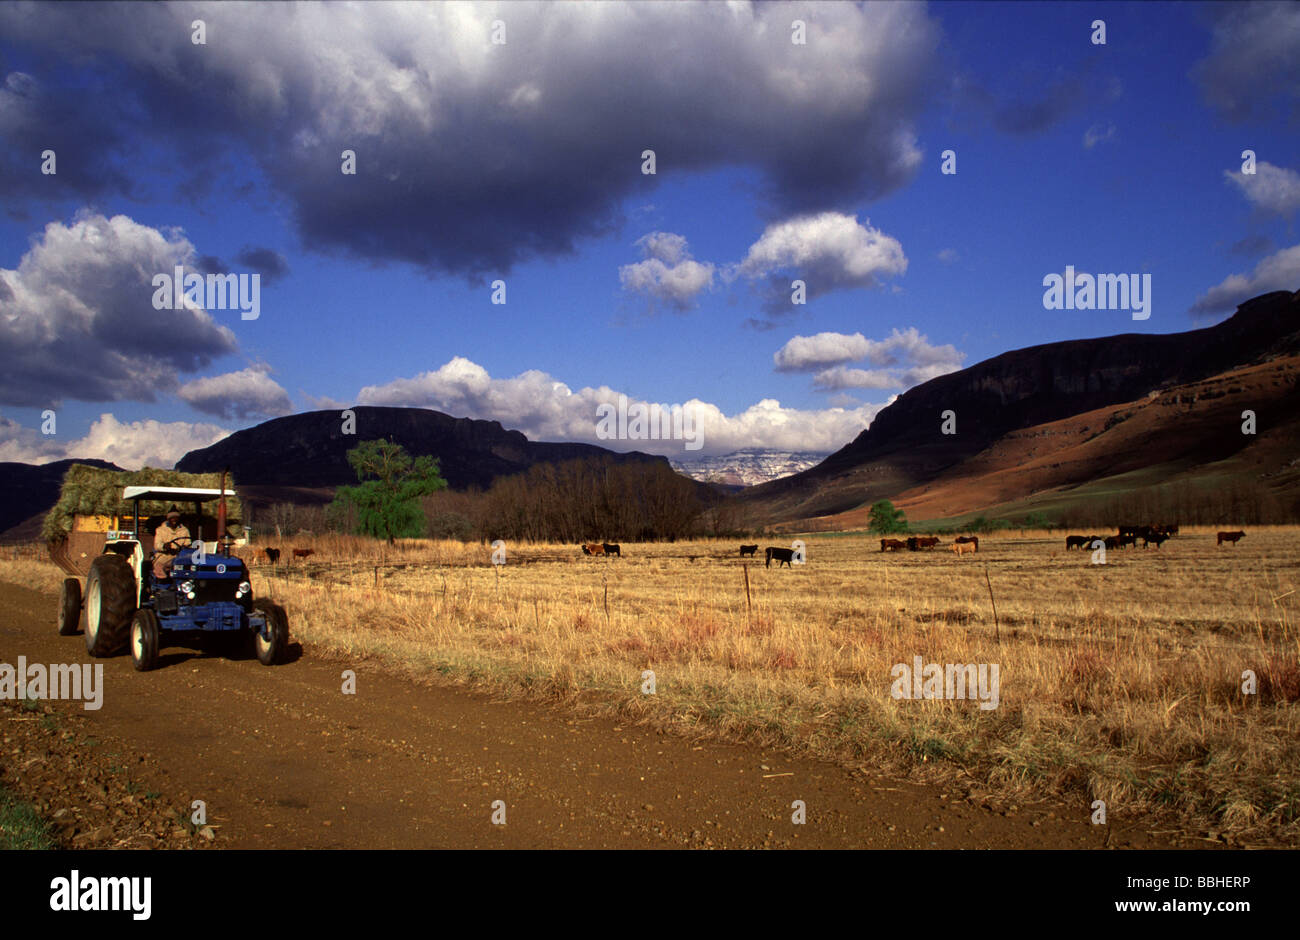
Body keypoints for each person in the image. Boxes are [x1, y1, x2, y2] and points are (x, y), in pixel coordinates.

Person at [153, 507, 191, 580]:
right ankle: (163, 583)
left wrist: (183, 549)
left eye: (176, 518)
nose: (174, 520)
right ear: (168, 519)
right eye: (172, 518)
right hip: (164, 556)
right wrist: (164, 546)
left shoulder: (184, 530)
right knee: (159, 565)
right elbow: (157, 544)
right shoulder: (160, 530)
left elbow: (188, 543)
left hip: (179, 556)